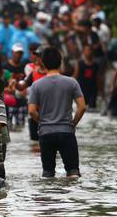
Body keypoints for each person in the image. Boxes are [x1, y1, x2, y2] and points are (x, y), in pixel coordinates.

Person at [28, 47, 87, 178]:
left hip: (46, 133)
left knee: (48, 174)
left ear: (42, 62)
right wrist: (72, 124)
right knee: (73, 173)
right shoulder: (72, 82)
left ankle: (50, 197)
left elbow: (32, 111)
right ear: (60, 62)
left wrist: (42, 122)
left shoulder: (37, 85)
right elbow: (82, 107)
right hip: (66, 132)